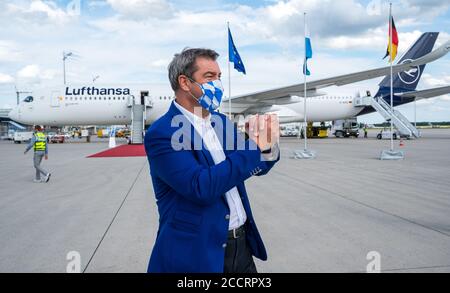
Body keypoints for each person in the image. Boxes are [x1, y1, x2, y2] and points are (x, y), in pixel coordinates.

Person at [144, 48, 280, 273]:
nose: (218, 84)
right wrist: (253, 146)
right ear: (185, 82)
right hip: (196, 254)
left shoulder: (221, 122)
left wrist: (268, 144)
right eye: (209, 77)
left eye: (219, 77)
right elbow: (201, 187)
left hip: (241, 247)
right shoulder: (163, 132)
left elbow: (256, 166)